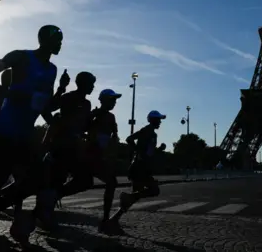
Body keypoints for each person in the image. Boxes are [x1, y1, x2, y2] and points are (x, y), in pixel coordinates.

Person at [0, 25, 70, 251]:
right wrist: (5, 92)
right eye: (57, 39)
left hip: (26, 137)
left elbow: (45, 105)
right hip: (4, 133)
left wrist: (61, 91)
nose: (60, 44)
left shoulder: (52, 70)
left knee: (38, 181)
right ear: (45, 40)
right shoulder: (19, 57)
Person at [34, 71, 96, 231]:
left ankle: (50, 202)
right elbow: (46, 109)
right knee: (57, 180)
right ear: (82, 84)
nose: (93, 87)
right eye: (91, 83)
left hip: (75, 147)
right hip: (61, 146)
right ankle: (43, 215)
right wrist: (55, 124)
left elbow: (84, 126)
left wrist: (92, 119)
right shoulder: (68, 98)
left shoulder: (88, 104)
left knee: (85, 180)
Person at [107, 110, 167, 230]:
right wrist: (138, 151)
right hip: (140, 167)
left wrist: (158, 150)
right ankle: (122, 204)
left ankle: (113, 220)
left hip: (142, 167)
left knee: (135, 197)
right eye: (158, 120)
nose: (160, 122)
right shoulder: (146, 131)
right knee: (154, 190)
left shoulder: (151, 133)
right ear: (153, 120)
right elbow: (129, 139)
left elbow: (148, 152)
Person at [83, 88, 122, 233]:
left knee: (87, 183)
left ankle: (106, 219)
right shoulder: (94, 115)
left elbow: (114, 138)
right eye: (112, 100)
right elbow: (83, 130)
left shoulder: (111, 117)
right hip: (91, 155)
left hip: (103, 156)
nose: (114, 103)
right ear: (103, 100)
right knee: (107, 182)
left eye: (115, 100)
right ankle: (105, 220)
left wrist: (112, 153)